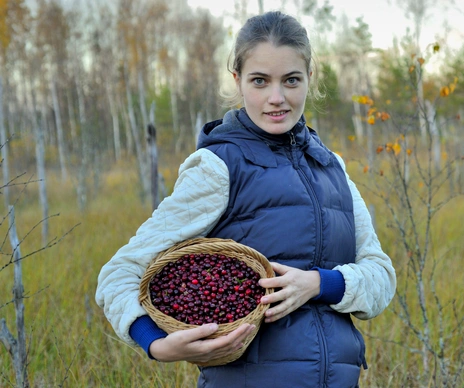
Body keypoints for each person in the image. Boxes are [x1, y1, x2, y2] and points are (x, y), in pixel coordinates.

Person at [95, 10, 396, 388]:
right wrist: (156, 344)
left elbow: (380, 276)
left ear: (309, 79)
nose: (276, 98)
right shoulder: (219, 166)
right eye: (260, 81)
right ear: (237, 80)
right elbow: (119, 274)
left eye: (291, 80)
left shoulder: (331, 166)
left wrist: (319, 284)